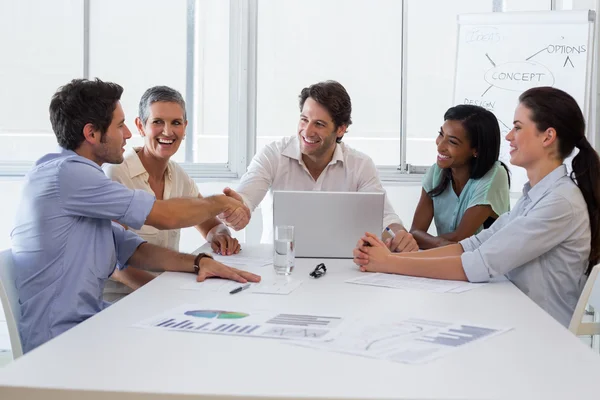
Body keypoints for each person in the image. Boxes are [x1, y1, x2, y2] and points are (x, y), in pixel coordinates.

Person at [11, 78, 260, 353]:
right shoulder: (68, 175)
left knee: (202, 336)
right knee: (196, 346)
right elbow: (163, 216)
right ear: (92, 133)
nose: (128, 134)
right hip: (63, 342)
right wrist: (222, 201)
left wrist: (199, 262)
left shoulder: (81, 182)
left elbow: (134, 249)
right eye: (120, 125)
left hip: (92, 323)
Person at [353, 86, 600, 327]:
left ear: (548, 136)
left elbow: (480, 263)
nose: (509, 136)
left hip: (542, 332)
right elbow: (472, 245)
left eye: (517, 127)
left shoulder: (560, 202)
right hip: (514, 315)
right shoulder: (534, 196)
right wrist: (396, 257)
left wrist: (389, 264)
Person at [221, 80, 418, 252]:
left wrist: (398, 235)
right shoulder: (273, 155)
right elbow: (245, 197)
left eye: (319, 124)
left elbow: (384, 219)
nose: (307, 131)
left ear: (341, 129)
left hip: (341, 269)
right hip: (279, 265)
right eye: (304, 120)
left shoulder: (360, 165)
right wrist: (237, 211)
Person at [103, 86, 239, 302]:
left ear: (185, 128)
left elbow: (211, 225)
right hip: (121, 302)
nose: (167, 132)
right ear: (140, 126)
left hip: (164, 297)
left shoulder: (178, 176)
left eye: (176, 123)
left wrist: (220, 235)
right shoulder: (117, 173)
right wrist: (166, 294)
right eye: (157, 122)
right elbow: (115, 265)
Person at [410, 105, 510, 249]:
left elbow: (461, 238)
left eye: (452, 141)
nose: (440, 146)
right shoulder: (436, 172)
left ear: (476, 150)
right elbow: (415, 232)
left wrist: (425, 241)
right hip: (451, 260)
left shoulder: (495, 174)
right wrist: (435, 243)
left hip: (487, 265)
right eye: (441, 134)